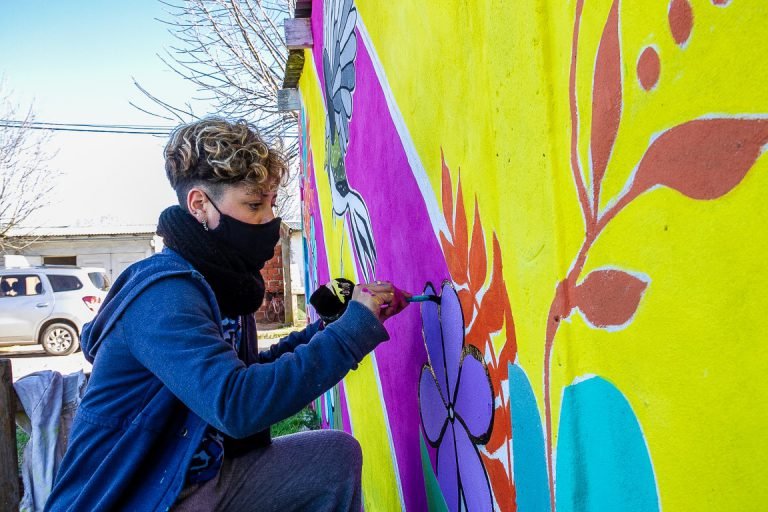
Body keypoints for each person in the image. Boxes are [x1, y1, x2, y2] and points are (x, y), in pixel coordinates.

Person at [45, 117, 410, 511]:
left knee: (332, 459)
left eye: (271, 204)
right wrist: (352, 334)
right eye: (254, 204)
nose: (269, 220)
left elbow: (248, 371)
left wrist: (335, 325)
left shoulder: (222, 284)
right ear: (200, 205)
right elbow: (237, 404)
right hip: (137, 497)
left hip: (193, 482)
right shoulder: (163, 295)